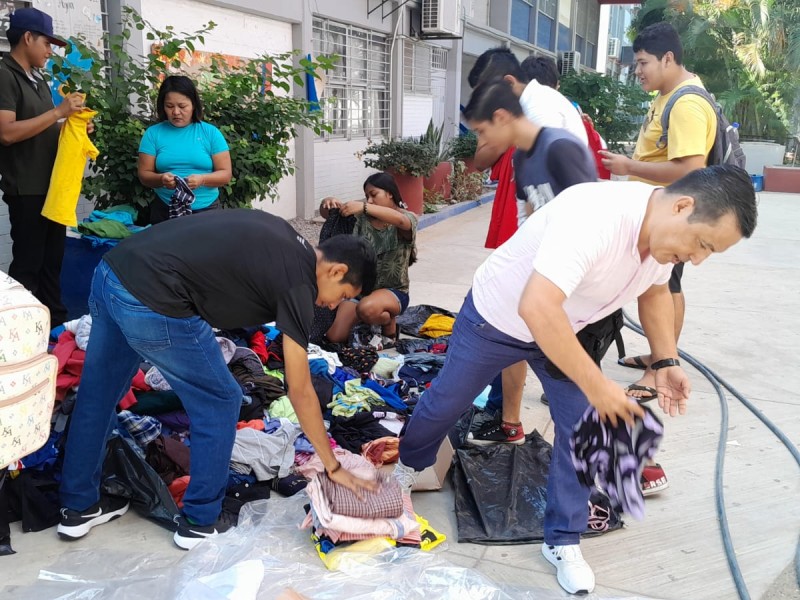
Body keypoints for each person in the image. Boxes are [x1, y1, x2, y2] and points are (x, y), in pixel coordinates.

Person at [394, 157, 758, 593]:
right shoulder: (597, 217)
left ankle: (562, 539)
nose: (697, 260)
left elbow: (657, 289)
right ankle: (406, 467)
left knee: (583, 424)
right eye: (702, 244)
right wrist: (598, 384)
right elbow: (536, 307)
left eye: (708, 253)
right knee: (448, 402)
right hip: (496, 320)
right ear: (682, 206)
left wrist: (666, 360)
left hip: (563, 329)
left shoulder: (663, 236)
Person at [57, 209, 378, 550]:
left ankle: (78, 508)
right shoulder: (301, 282)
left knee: (97, 395)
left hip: (112, 273)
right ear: (336, 270)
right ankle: (199, 521)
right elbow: (299, 389)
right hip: (154, 299)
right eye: (343, 295)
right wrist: (332, 464)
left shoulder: (285, 236)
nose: (332, 304)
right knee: (221, 400)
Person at [598, 22, 717, 493]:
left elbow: (691, 170)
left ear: (668, 58)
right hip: (655, 217)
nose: (640, 72)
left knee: (665, 286)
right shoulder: (669, 97)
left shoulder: (686, 102)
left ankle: (661, 362)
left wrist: (628, 167)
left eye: (644, 64)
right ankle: (659, 356)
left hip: (668, 220)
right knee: (664, 287)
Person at [461, 80, 597, 446]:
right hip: (542, 275)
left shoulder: (560, 149)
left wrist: (559, 284)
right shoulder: (522, 156)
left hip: (573, 282)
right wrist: (520, 268)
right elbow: (530, 215)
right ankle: (510, 423)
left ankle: (617, 459)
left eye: (481, 132)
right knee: (512, 341)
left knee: (572, 380)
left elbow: (591, 218)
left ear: (502, 117)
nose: (480, 143)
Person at [0, 7, 89, 326]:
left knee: (53, 263)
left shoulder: (37, 79)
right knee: (29, 266)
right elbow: (7, 133)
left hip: (51, 188)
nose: (50, 51)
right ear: (27, 38)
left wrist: (70, 125)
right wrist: (57, 113)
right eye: (47, 43)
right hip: (27, 189)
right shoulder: (5, 75)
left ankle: (56, 328)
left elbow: (41, 127)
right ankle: (19, 333)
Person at [318, 172, 417, 347]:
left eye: (374, 195)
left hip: (394, 292)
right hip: (360, 292)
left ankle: (388, 323)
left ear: (390, 193)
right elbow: (330, 215)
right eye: (366, 197)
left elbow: (402, 222)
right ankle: (366, 323)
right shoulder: (361, 220)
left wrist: (363, 206)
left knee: (367, 308)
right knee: (335, 336)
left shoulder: (406, 217)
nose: (369, 200)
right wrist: (327, 202)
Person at [137, 75, 232, 224]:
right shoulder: (153, 134)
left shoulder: (211, 133)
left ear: (193, 105)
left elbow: (226, 174)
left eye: (182, 106)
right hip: (165, 210)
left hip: (207, 211)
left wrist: (202, 179)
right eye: (169, 106)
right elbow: (144, 175)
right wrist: (161, 179)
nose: (176, 112)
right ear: (162, 106)